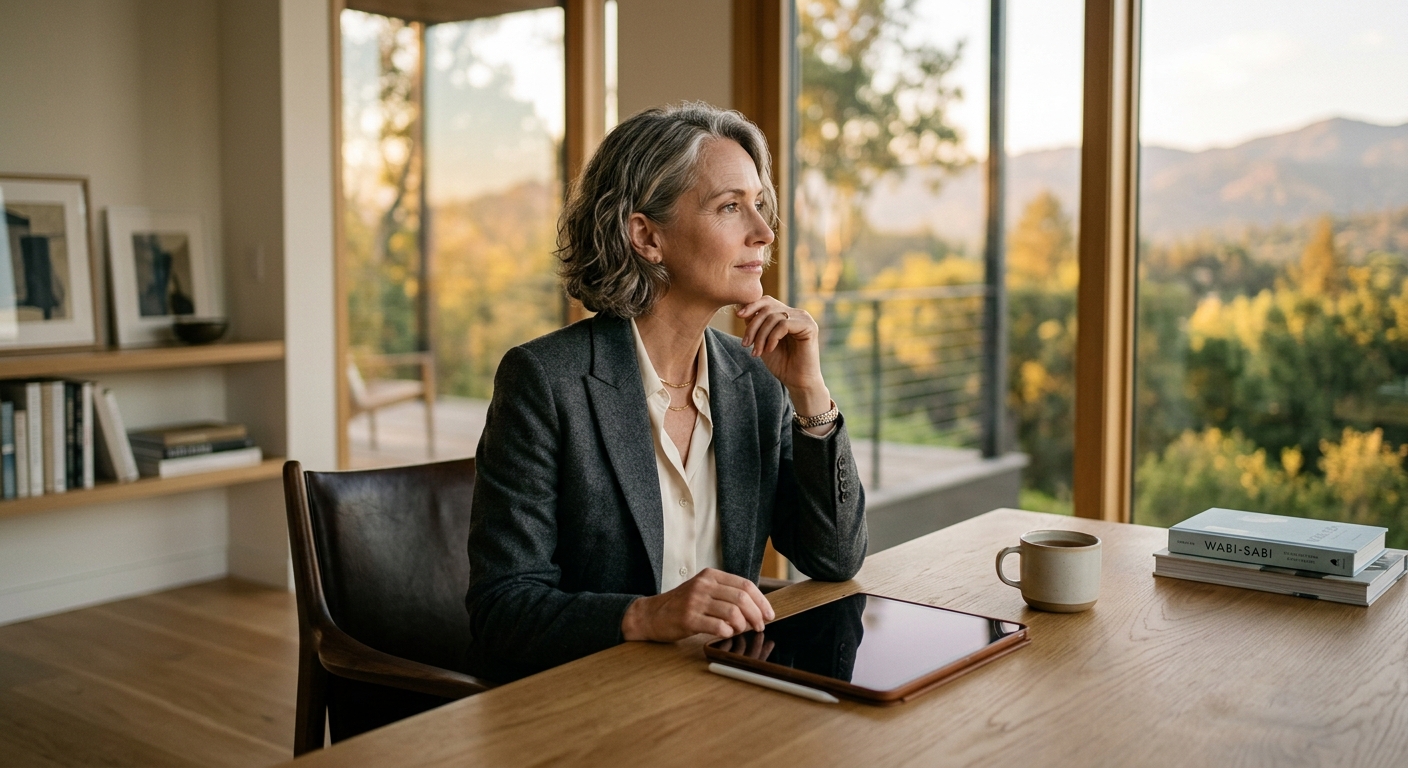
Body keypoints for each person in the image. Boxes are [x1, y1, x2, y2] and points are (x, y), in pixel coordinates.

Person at [465, 102, 866, 683]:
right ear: (646, 236)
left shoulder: (755, 379)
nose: (763, 231)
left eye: (759, 204)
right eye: (731, 207)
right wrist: (645, 615)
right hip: (587, 702)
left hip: (720, 690)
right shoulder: (544, 381)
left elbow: (834, 558)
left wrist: (809, 393)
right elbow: (502, 609)